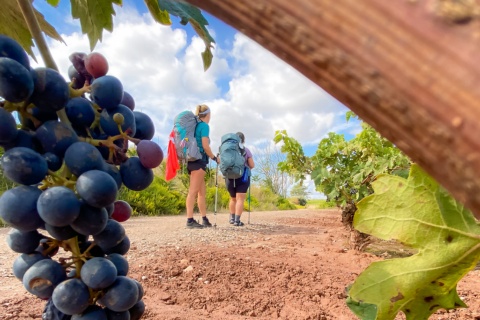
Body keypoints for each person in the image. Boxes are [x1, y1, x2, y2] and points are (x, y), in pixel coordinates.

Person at [186, 104, 219, 228]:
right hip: (198, 161)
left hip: (193, 161)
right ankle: (189, 220)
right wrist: (215, 158)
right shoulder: (204, 126)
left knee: (201, 193)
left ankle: (204, 219)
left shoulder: (195, 126)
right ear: (208, 114)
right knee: (193, 192)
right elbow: (205, 146)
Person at [226, 132, 254, 226]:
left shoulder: (228, 150)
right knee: (240, 199)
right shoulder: (246, 150)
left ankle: (231, 218)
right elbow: (252, 165)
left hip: (229, 177)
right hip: (243, 177)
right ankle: (237, 221)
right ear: (243, 140)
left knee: (233, 198)